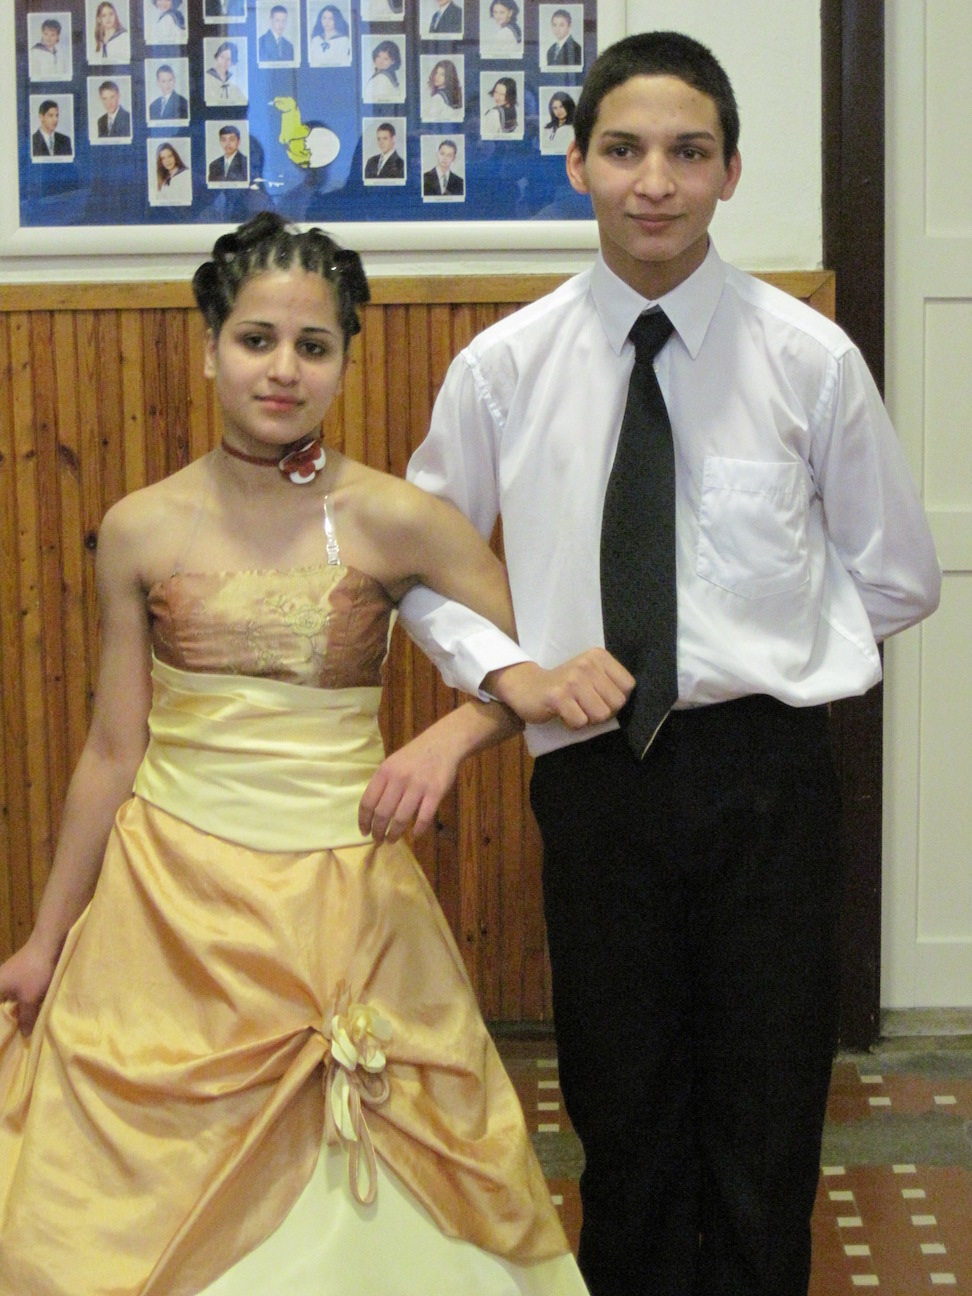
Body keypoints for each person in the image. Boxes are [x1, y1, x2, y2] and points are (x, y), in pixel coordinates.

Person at [384, 29, 942, 1296]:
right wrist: (514, 677)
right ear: (577, 163)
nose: (655, 181)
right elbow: (418, 563)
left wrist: (773, 648)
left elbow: (899, 573)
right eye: (624, 149)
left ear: (731, 172)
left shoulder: (808, 360)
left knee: (767, 1119)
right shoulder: (505, 368)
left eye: (689, 153)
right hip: (596, 776)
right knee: (623, 1114)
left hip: (770, 779)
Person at [0, 212, 601, 1296]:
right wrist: (46, 941)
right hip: (166, 909)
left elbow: (538, 672)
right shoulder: (139, 526)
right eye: (257, 340)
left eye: (313, 346)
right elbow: (111, 750)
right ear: (209, 349)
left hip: (346, 896)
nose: (283, 369)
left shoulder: (397, 518)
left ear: (343, 362)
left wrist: (450, 736)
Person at [206, 40, 247, 105]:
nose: (224, 62)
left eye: (229, 59)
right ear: (217, 57)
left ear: (232, 62)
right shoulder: (207, 78)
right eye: (222, 57)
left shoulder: (234, 82)